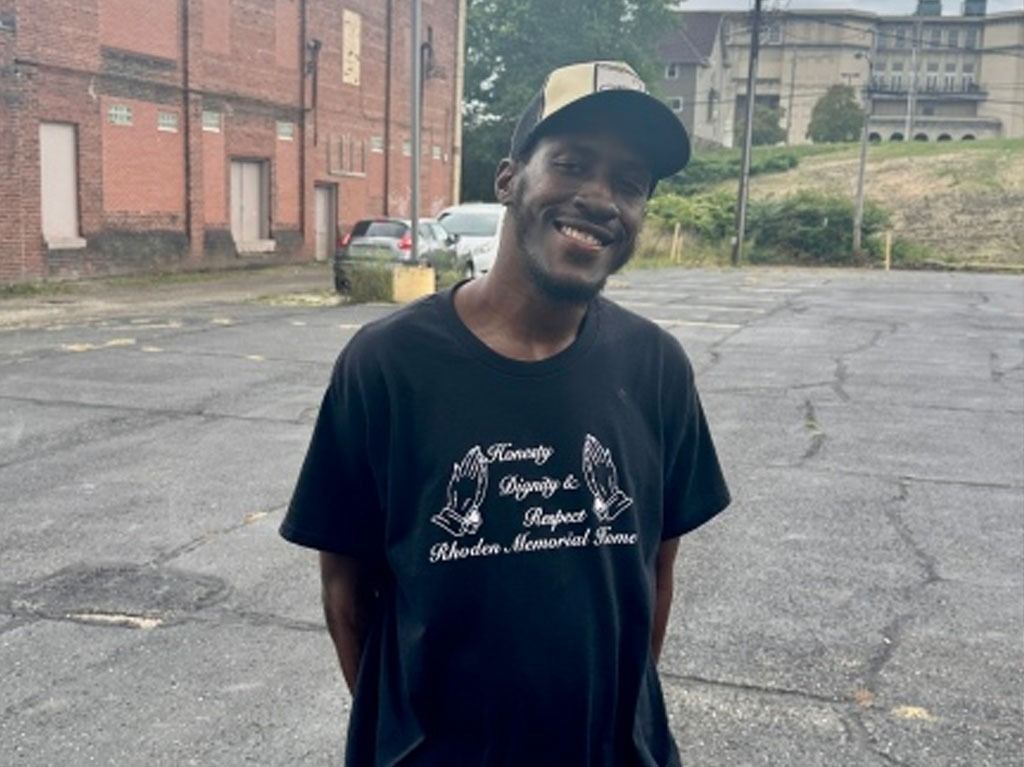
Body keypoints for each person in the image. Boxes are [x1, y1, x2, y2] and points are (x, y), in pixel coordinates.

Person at [280, 60, 731, 767]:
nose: (600, 197)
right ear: (508, 178)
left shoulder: (656, 368)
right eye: (573, 163)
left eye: (629, 182)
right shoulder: (387, 367)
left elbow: (652, 573)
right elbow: (347, 594)